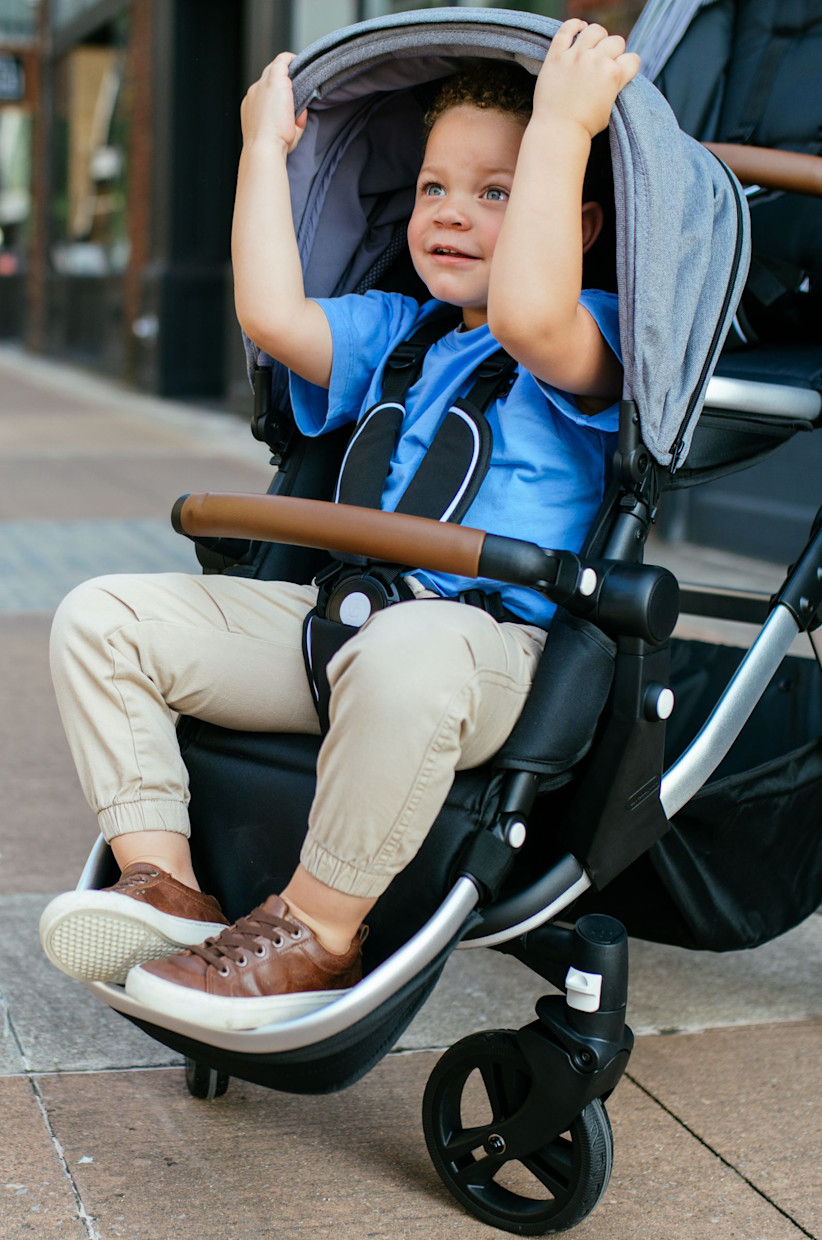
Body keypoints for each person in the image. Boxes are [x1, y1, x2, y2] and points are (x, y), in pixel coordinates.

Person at [37, 19, 640, 1032]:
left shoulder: (589, 337)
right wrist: (264, 152)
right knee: (103, 616)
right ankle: (166, 889)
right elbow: (273, 316)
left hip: (482, 652)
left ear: (571, 222)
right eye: (433, 189)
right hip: (339, 623)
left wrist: (565, 126)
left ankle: (317, 930)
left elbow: (533, 314)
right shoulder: (397, 334)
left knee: (408, 650)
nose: (451, 214)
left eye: (496, 192)